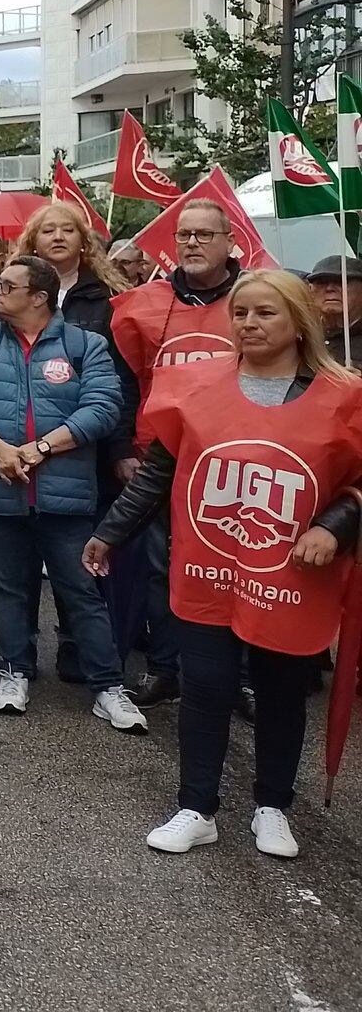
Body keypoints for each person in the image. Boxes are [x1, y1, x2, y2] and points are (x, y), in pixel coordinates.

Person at [85, 270, 362, 859]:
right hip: (207, 568)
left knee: (280, 693)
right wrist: (109, 535)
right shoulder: (194, 386)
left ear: (298, 321)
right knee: (205, 687)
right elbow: (160, 472)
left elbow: (357, 485)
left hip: (290, 578)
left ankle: (273, 805)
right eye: (241, 313)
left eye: (266, 313)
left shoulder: (345, 396)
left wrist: (332, 527)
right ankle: (196, 806)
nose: (250, 324)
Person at [0, 254, 143, 730]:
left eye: (8, 286)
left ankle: (108, 686)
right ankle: (14, 672)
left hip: (66, 497)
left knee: (82, 591)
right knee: (9, 589)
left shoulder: (85, 345)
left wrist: (39, 449)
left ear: (39, 298)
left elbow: (104, 407)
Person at [108, 197, 240, 709]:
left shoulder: (257, 297)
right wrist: (122, 447)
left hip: (239, 460)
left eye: (204, 234)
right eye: (184, 234)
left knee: (239, 570)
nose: (191, 243)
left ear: (230, 241)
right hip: (162, 459)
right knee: (165, 568)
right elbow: (122, 382)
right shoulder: (144, 302)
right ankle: (165, 668)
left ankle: (240, 677)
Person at [306, 256, 362, 367]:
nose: (330, 288)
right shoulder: (299, 337)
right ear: (311, 290)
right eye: (321, 282)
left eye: (341, 282)